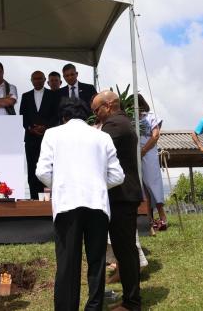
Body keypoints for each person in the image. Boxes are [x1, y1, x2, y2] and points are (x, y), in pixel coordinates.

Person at [36, 98, 124, 311]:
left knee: (67, 264)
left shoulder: (52, 134)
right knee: (96, 261)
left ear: (63, 117)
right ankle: (94, 306)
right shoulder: (102, 136)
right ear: (88, 116)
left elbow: (42, 171)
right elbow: (118, 175)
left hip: (67, 204)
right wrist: (98, 185)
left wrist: (60, 186)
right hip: (97, 205)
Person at [92, 91, 142, 311]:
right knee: (124, 250)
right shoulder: (120, 122)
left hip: (121, 196)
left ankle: (132, 303)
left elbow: (95, 150)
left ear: (110, 105)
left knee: (125, 251)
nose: (95, 116)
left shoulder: (115, 125)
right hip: (121, 196)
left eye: (97, 110)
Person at [20, 71, 58, 199]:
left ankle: (47, 200)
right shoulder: (25, 96)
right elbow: (22, 117)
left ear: (44, 80)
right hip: (31, 139)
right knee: (32, 169)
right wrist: (30, 128)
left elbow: (56, 115)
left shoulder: (53, 95)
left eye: (40, 78)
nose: (37, 81)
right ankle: (33, 199)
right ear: (31, 80)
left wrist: (45, 127)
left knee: (48, 168)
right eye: (35, 79)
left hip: (48, 138)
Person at [139, 104, 167, 230]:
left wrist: (144, 150)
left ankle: (163, 218)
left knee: (153, 184)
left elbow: (155, 135)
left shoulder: (151, 117)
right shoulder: (130, 118)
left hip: (149, 153)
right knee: (142, 187)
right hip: (136, 154)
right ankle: (149, 220)